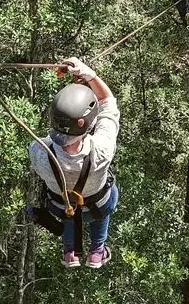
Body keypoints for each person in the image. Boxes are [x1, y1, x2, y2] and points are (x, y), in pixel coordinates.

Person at [28, 57, 120, 269]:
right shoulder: (102, 150)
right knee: (107, 198)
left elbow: (53, 137)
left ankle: (70, 251)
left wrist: (70, 101)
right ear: (88, 124)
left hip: (61, 207)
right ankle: (97, 251)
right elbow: (108, 103)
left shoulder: (38, 152)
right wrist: (89, 75)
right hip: (98, 206)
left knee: (69, 210)